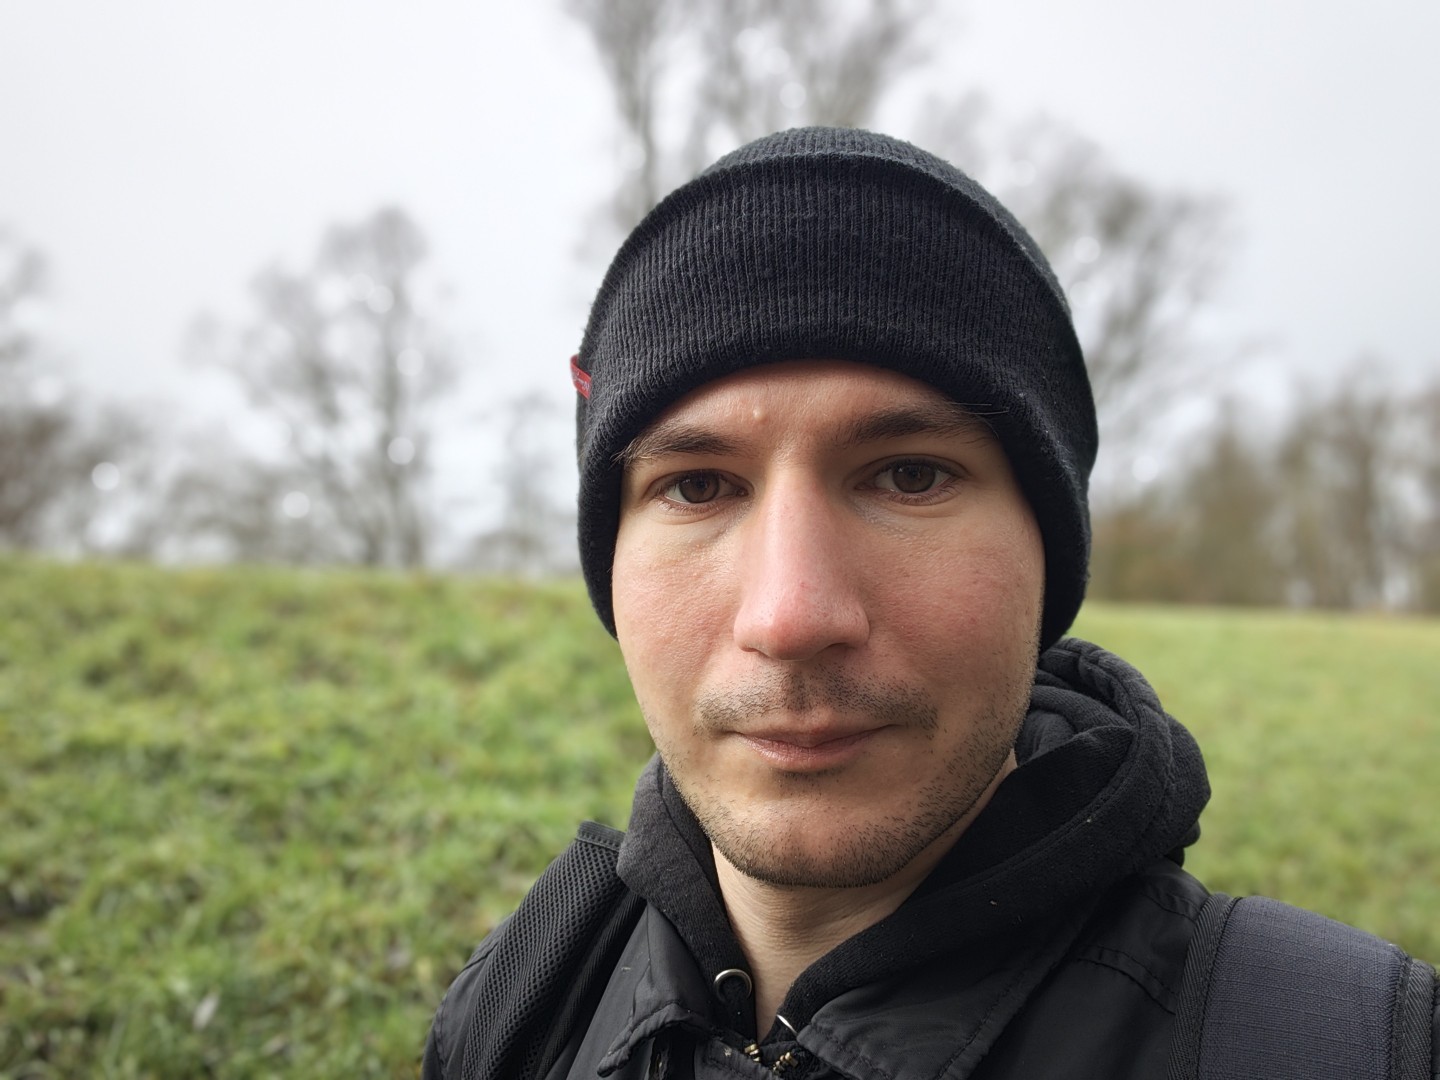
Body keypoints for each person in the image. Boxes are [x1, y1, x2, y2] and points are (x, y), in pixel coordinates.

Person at [423, 127, 1436, 1080]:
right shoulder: (525, 1002)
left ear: (1047, 557)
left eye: (909, 475)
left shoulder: (1345, 1045)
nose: (790, 618)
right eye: (697, 486)